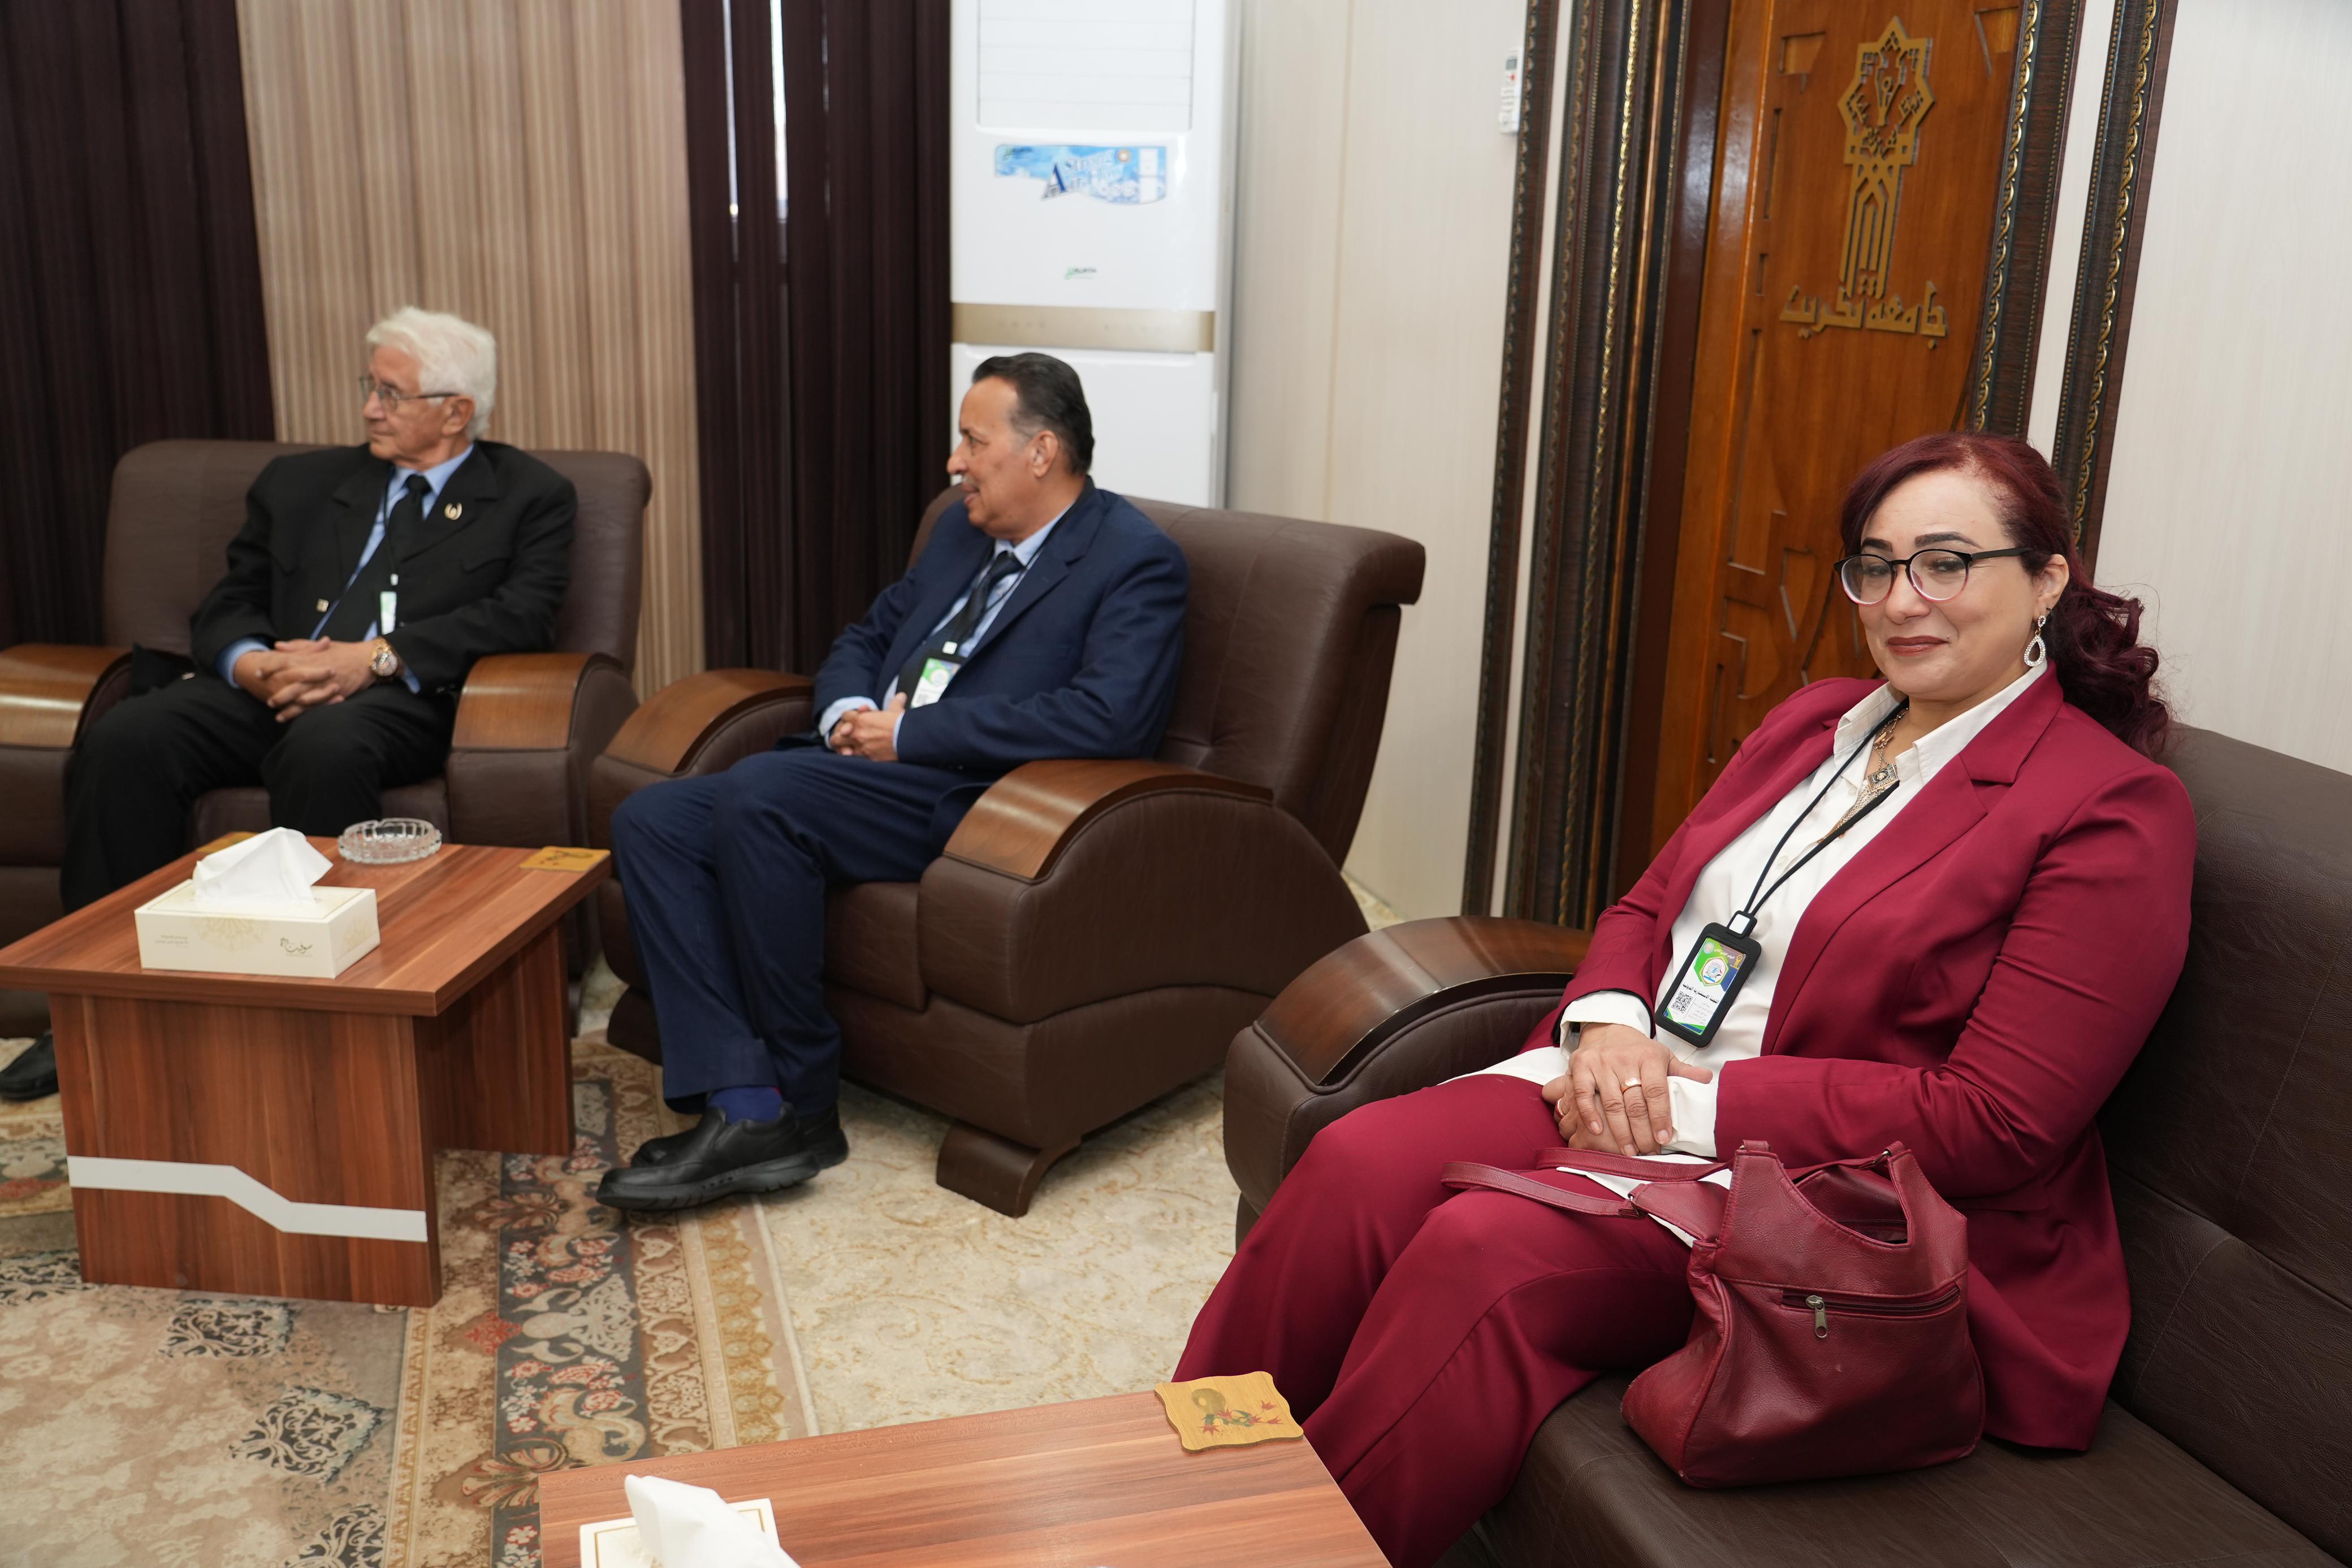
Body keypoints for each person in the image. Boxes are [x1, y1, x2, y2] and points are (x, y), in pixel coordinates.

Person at [1174, 433, 2194, 1566]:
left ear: (2047, 579)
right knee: (1356, 1160)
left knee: (1488, 1249)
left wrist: (1682, 1104)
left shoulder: (2108, 811)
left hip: (1824, 1192)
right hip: (1631, 1082)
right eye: (1876, 565)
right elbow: (1650, 903)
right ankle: (1173, 1497)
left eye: (1946, 562)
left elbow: (1995, 1121)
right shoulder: (1816, 720)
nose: (1905, 600)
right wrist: (1612, 1027)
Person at [596, 353, 1188, 1213]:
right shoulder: (960, 529)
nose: (954, 462)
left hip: (981, 800)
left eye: (973, 441)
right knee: (652, 817)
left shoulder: (1134, 559)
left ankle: (803, 1102)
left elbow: (1109, 718)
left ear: (1041, 451)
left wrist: (910, 735)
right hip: (870, 766)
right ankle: (745, 1100)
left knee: (763, 794)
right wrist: (848, 708)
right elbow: (868, 636)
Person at [0, 307, 575, 1104]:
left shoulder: (529, 495)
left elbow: (522, 616)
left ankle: (321, 1004)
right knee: (130, 736)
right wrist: (253, 664)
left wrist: (372, 659)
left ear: (456, 411)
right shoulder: (299, 483)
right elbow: (230, 599)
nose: (370, 408)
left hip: (398, 700)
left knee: (326, 744)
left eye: (391, 393)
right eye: (370, 387)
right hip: (270, 685)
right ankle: (95, 1003)